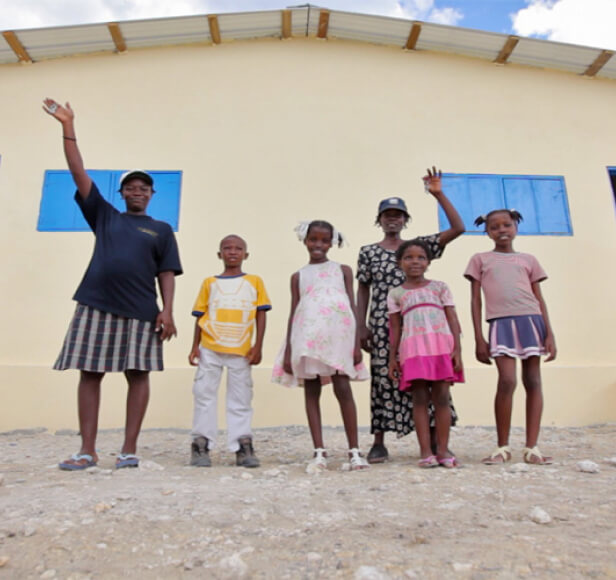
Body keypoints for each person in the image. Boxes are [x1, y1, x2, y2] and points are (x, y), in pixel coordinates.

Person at [43, 98, 183, 471]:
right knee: (90, 374)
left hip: (141, 311)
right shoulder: (104, 215)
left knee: (138, 376)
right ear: (122, 194)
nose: (137, 192)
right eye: (131, 188)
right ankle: (87, 450)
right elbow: (77, 172)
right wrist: (67, 126)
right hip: (95, 304)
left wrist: (167, 311)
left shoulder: (161, 229)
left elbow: (166, 272)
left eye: (144, 188)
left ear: (152, 195)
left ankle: (128, 450)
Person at [356, 167, 465, 463]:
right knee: (383, 379)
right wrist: (361, 326)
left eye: (398, 214)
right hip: (383, 324)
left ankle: (435, 441)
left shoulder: (416, 248)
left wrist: (438, 194)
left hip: (426, 328)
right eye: (387, 215)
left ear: (405, 219)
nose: (393, 219)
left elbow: (458, 228)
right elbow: (363, 289)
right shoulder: (368, 252)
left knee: (429, 378)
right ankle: (379, 441)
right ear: (379, 220)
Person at [272, 221, 370, 471]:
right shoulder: (298, 276)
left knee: (342, 388)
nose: (318, 245)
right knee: (311, 391)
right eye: (313, 239)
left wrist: (357, 340)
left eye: (324, 240)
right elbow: (294, 311)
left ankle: (354, 450)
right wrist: (289, 350)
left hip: (338, 337)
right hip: (307, 338)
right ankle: (318, 450)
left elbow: (351, 303)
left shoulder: (343, 270)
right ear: (305, 240)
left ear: (331, 243)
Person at [464, 209, 556, 465]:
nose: (502, 230)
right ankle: (502, 447)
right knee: (506, 381)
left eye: (507, 225)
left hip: (531, 321)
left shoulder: (529, 260)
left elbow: (539, 299)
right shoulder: (480, 260)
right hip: (500, 324)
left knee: (533, 381)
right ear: (487, 232)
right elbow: (475, 300)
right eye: (495, 227)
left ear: (516, 226)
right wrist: (478, 338)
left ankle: (532, 448)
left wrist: (550, 334)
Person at [188, 235, 270, 468]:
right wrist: (194, 346)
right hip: (210, 348)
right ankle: (201, 444)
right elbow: (200, 315)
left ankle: (242, 445)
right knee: (204, 394)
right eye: (227, 248)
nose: (232, 252)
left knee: (241, 397)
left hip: (241, 350)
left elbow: (261, 314)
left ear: (246, 254)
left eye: (238, 248)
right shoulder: (209, 283)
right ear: (219, 254)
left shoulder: (254, 281)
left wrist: (258, 346)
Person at [388, 239, 464, 468]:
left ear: (428, 262)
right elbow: (395, 327)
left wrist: (457, 349)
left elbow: (452, 317)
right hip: (413, 350)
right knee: (419, 399)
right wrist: (393, 357)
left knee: (442, 398)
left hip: (441, 347)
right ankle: (425, 452)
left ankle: (443, 450)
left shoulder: (440, 287)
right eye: (409, 257)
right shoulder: (396, 293)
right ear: (400, 262)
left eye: (421, 257)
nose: (415, 262)